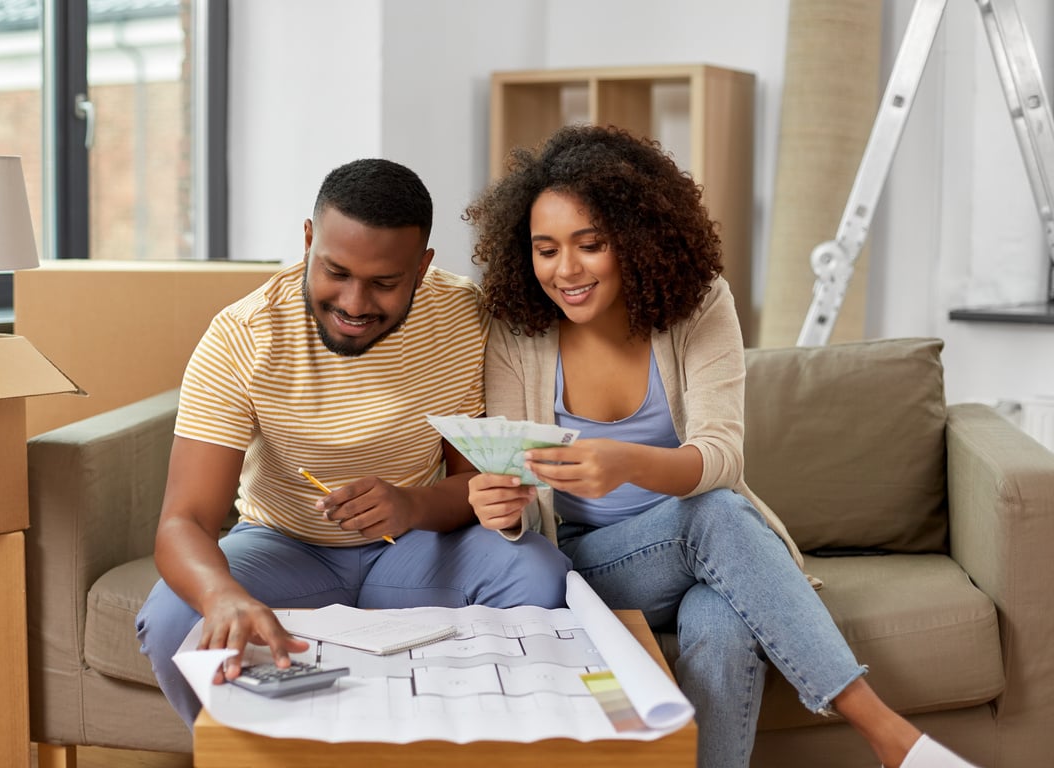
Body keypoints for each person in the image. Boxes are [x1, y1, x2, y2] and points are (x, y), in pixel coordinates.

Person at [463, 124, 979, 768]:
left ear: (636, 240)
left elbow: (723, 457)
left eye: (589, 245)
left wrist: (626, 462)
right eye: (545, 250)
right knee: (711, 514)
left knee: (723, 625)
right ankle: (889, 737)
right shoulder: (519, 333)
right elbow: (517, 491)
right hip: (593, 567)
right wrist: (501, 509)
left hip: (706, 551)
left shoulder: (699, 306)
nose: (565, 270)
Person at [136, 158, 571, 728]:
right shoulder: (242, 336)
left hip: (416, 547)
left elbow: (475, 483)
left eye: (384, 283)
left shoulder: (463, 316)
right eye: (335, 271)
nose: (354, 303)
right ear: (309, 239)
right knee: (173, 617)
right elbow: (183, 521)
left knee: (540, 574)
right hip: (283, 547)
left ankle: (467, 745)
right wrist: (221, 595)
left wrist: (412, 503)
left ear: (422, 267)